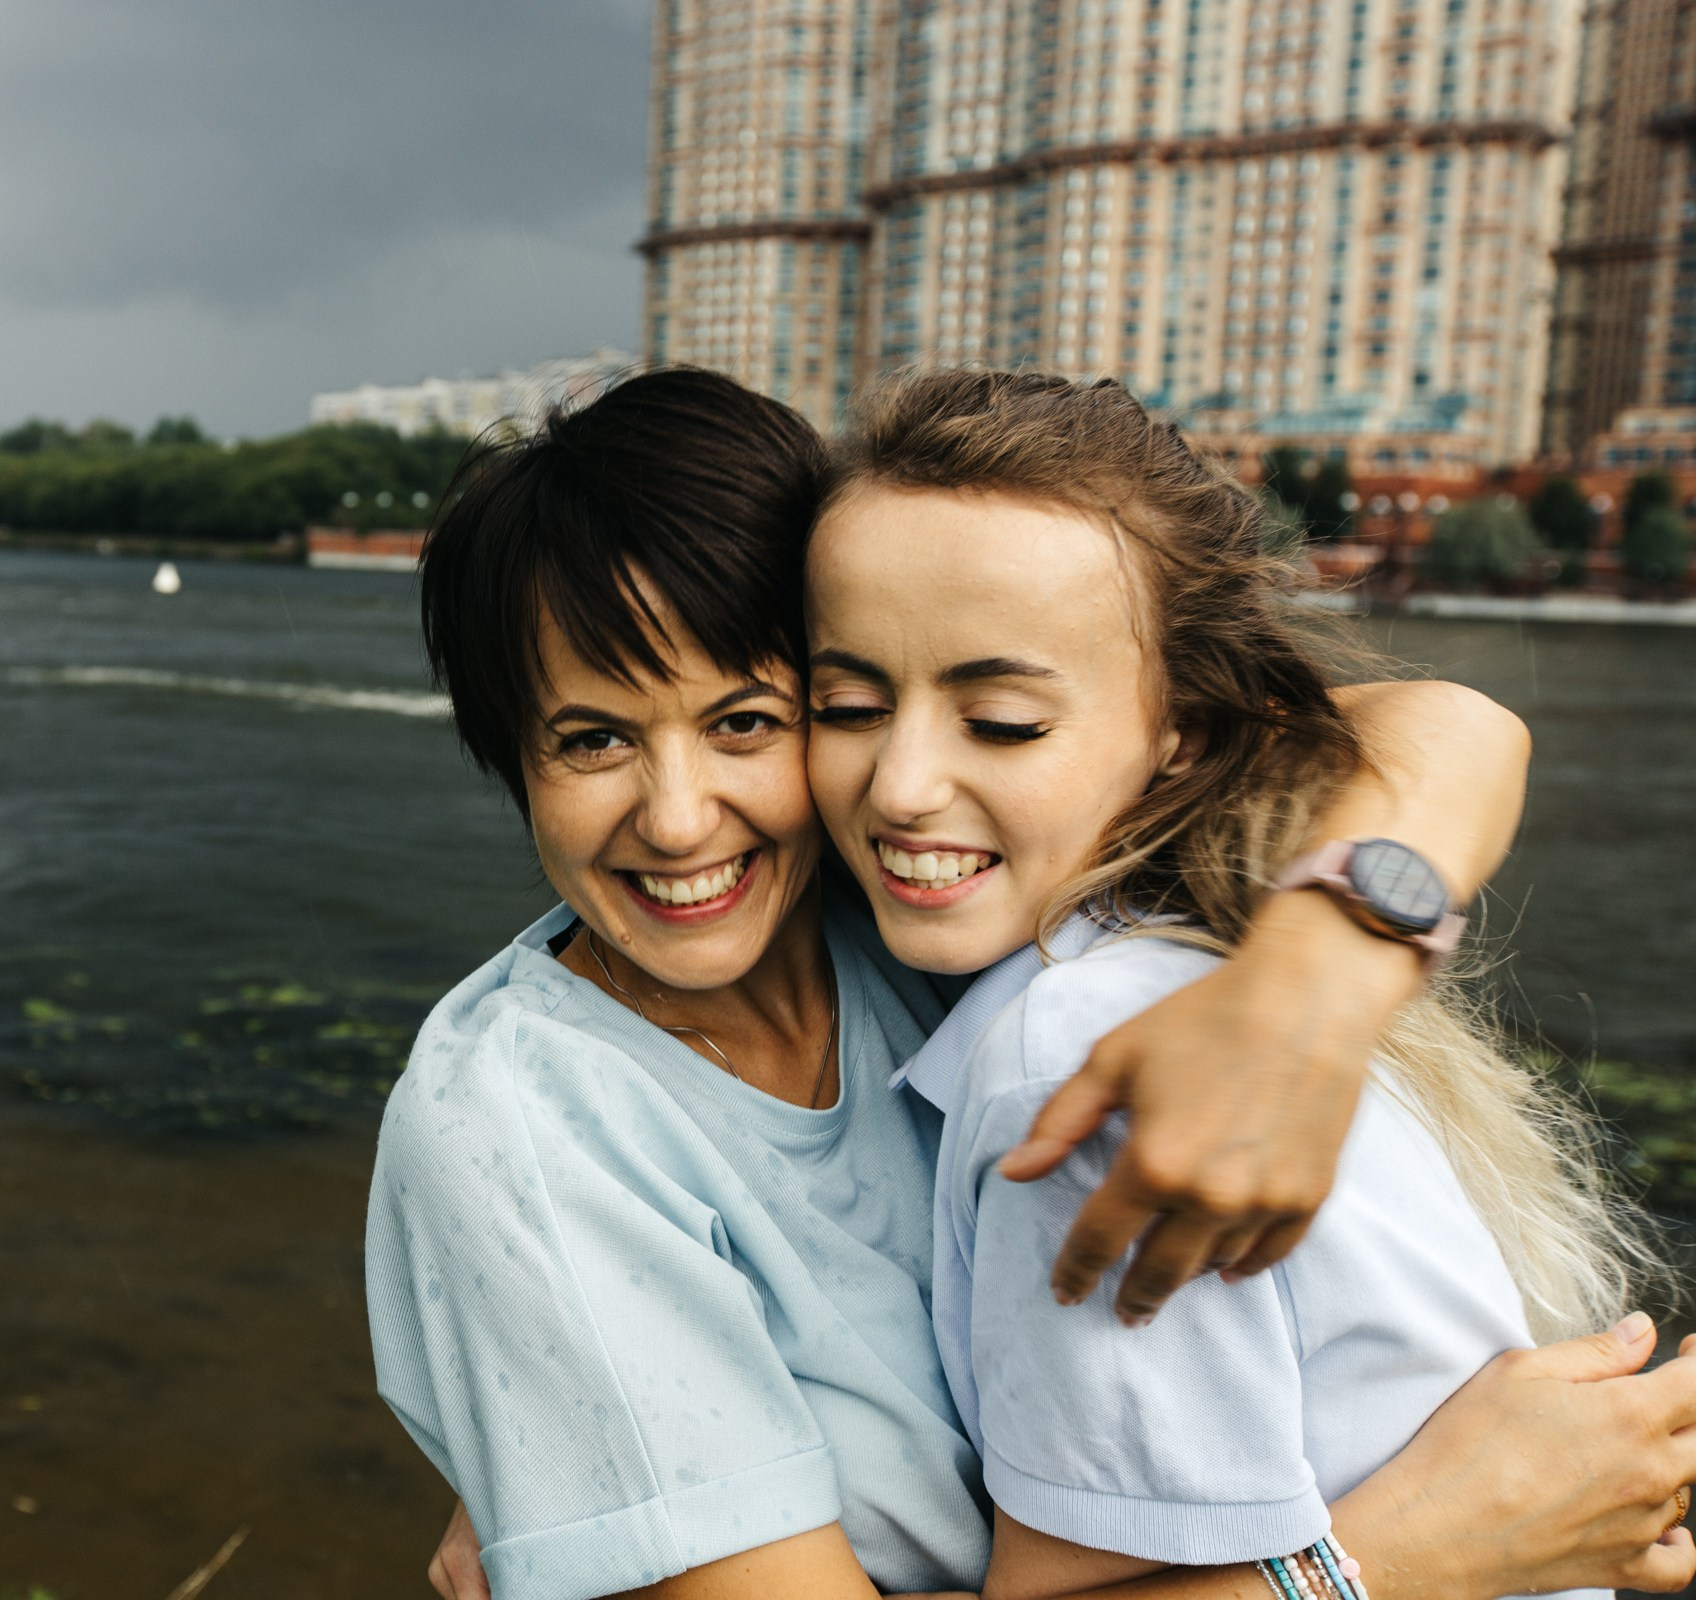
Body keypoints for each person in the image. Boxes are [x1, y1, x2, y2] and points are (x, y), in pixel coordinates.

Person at [367, 369, 1696, 1600]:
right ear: (513, 757)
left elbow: (1449, 726)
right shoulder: (526, 1132)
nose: (675, 817)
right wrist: (1431, 1542)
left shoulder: (912, 899)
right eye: (590, 739)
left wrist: (1308, 991)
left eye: (750, 721)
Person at [803, 368, 1666, 1600]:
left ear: (1186, 735)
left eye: (1001, 721)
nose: (900, 785)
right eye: (845, 704)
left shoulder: (1073, 1060)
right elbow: (1449, 725)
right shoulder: (1194, 946)